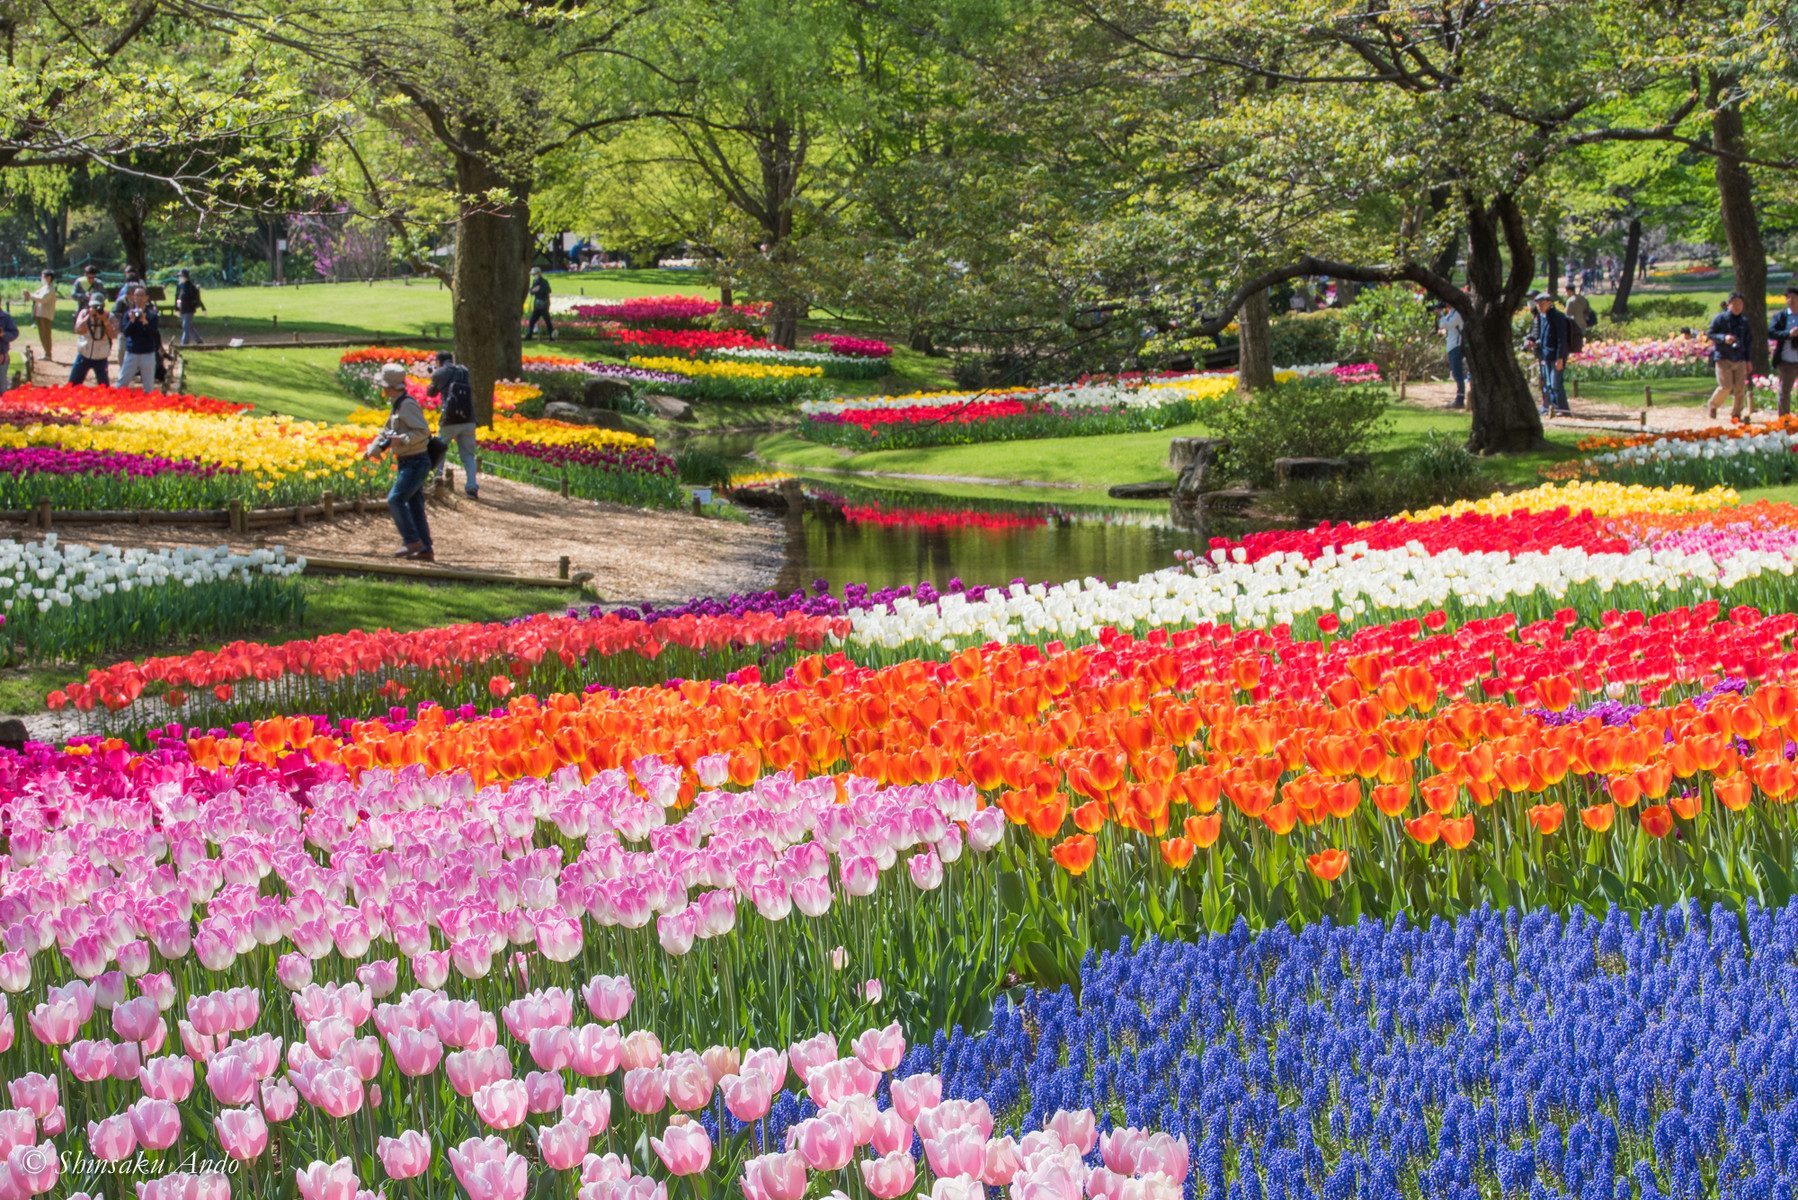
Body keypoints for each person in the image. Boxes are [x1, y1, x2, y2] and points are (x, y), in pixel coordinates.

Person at [365, 362, 436, 560]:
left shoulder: (407, 405)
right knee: (414, 506)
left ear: (390, 386)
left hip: (416, 461)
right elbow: (386, 432)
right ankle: (425, 549)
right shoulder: (398, 405)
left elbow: (424, 431)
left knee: (395, 499)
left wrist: (403, 440)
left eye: (383, 384)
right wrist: (373, 449)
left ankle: (412, 540)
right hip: (408, 461)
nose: (381, 388)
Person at [425, 349, 480, 499]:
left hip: (450, 419)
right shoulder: (463, 370)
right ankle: (472, 486)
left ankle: (437, 480)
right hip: (469, 418)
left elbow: (430, 393)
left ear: (438, 362)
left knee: (439, 450)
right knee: (468, 455)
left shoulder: (439, 373)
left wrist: (433, 376)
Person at [1708, 292, 1754, 422]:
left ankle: (1736, 413)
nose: (1738, 306)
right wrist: (1724, 338)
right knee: (1725, 386)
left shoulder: (1744, 322)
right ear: (1728, 304)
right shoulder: (1720, 319)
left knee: (1740, 388)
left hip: (1740, 358)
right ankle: (1713, 405)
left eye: (1740, 303)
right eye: (1735, 303)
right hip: (1723, 357)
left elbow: (1748, 341)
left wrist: (1748, 359)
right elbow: (1710, 334)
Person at [1529, 291, 1570, 416]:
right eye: (1537, 303)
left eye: (1542, 303)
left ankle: (1562, 409)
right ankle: (1548, 407)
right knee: (1547, 384)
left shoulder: (1558, 317)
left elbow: (1561, 339)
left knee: (1555, 383)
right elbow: (1543, 336)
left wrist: (1560, 358)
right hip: (1545, 355)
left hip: (1556, 356)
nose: (1539, 306)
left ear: (1549, 303)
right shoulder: (1542, 317)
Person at [116, 285, 162, 391]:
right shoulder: (128, 314)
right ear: (133, 297)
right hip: (132, 352)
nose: (139, 298)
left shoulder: (152, 315)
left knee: (149, 385)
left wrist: (145, 322)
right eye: (137, 295)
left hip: (148, 353)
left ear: (146, 298)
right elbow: (126, 333)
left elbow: (153, 334)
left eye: (142, 295)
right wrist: (131, 321)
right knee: (121, 382)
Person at [69, 295, 116, 386]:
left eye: (97, 307)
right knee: (72, 385)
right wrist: (88, 317)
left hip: (100, 356)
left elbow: (112, 334)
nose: (95, 310)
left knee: (104, 387)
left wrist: (104, 320)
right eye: (92, 307)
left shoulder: (109, 316)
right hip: (84, 354)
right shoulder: (83, 313)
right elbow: (78, 330)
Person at [1770, 286, 1798, 417]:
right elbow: (1771, 332)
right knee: (1784, 392)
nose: (1790, 300)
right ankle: (1784, 420)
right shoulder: (1780, 316)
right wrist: (1789, 333)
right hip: (1787, 360)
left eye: (1793, 297)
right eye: (1788, 298)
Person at [1437, 301, 1466, 409]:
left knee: (1458, 374)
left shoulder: (1458, 313)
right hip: (1451, 345)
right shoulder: (1451, 312)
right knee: (1455, 373)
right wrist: (1441, 315)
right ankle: (1459, 398)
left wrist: (1441, 315)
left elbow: (1448, 325)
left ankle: (1460, 399)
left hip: (1456, 346)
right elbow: (1442, 325)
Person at [29, 271, 58, 361]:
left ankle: (48, 354)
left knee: (46, 335)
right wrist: (31, 295)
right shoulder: (45, 287)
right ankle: (46, 353)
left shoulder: (51, 289)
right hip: (40, 314)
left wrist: (30, 295)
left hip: (46, 315)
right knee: (42, 335)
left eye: (43, 277)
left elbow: (42, 299)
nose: (42, 278)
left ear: (49, 277)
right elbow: (36, 294)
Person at [175, 269, 206, 345]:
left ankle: (184, 344)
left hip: (189, 309)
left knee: (185, 326)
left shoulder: (190, 286)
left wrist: (203, 308)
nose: (179, 278)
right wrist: (177, 309)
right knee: (189, 326)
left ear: (185, 277)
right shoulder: (179, 286)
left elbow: (197, 298)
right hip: (183, 309)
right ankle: (198, 340)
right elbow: (177, 298)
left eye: (181, 276)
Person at [524, 267, 554, 340]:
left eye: (534, 274)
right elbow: (531, 291)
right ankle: (529, 336)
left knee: (547, 321)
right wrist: (534, 290)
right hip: (537, 305)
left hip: (543, 304)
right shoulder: (534, 282)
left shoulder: (544, 282)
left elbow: (548, 291)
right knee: (532, 321)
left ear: (539, 273)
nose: (533, 275)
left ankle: (552, 336)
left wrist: (538, 290)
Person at [0, 308, 16, 393]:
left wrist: (3, 334)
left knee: (2, 389)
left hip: (2, 358)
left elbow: (14, 333)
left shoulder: (6, 317)